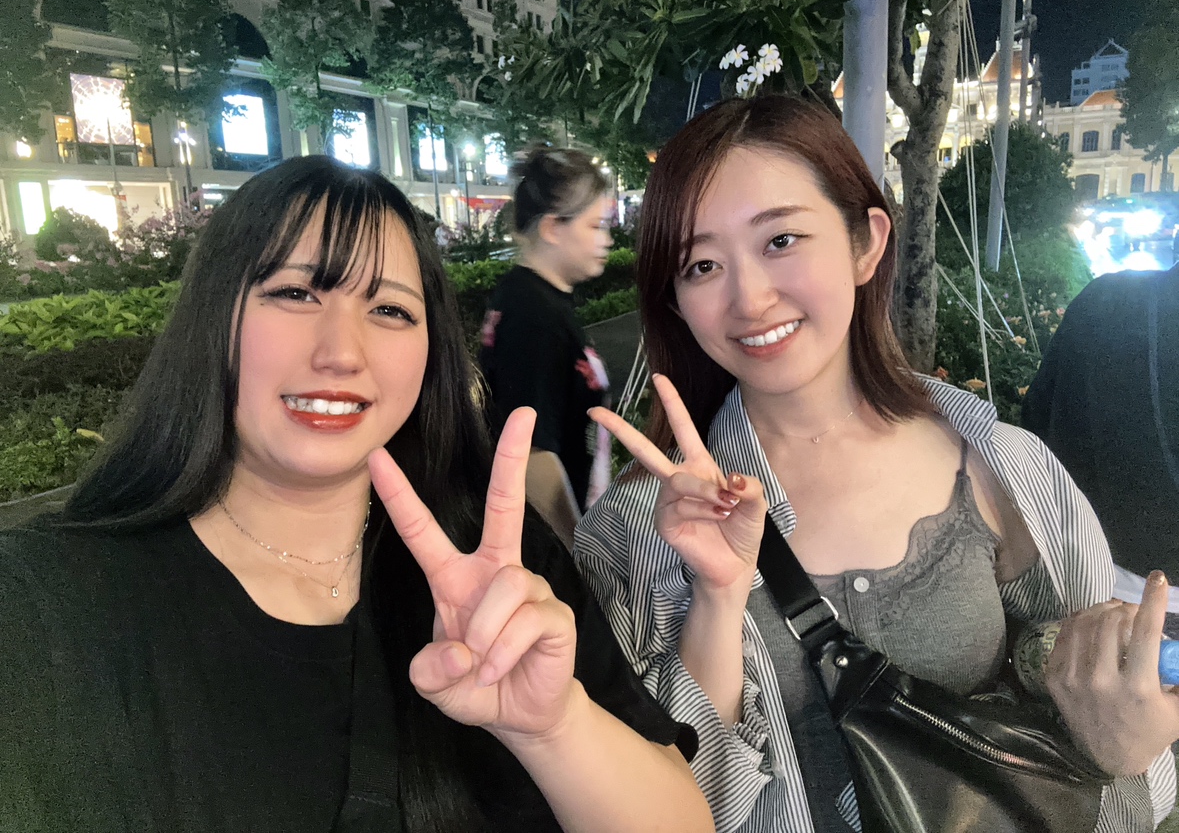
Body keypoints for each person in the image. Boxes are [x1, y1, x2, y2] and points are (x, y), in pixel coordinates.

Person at [0, 156, 713, 833]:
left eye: (391, 310)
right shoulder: (49, 608)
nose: (341, 352)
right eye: (294, 293)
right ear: (211, 317)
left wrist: (555, 727)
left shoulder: (497, 562)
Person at [574, 94, 1179, 832]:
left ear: (866, 243)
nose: (749, 298)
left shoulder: (999, 467)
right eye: (701, 264)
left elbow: (1098, 751)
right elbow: (677, 811)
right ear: (674, 297)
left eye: (781, 240)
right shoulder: (637, 529)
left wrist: (1127, 745)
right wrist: (717, 600)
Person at [1023, 263, 1179, 634]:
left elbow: (1033, 437)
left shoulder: (1107, 300)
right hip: (1091, 592)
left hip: (1080, 593)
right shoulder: (1108, 300)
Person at [480, 147, 615, 545]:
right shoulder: (533, 316)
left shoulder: (530, 298)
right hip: (549, 545)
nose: (607, 240)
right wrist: (578, 558)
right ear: (553, 228)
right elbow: (530, 455)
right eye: (596, 226)